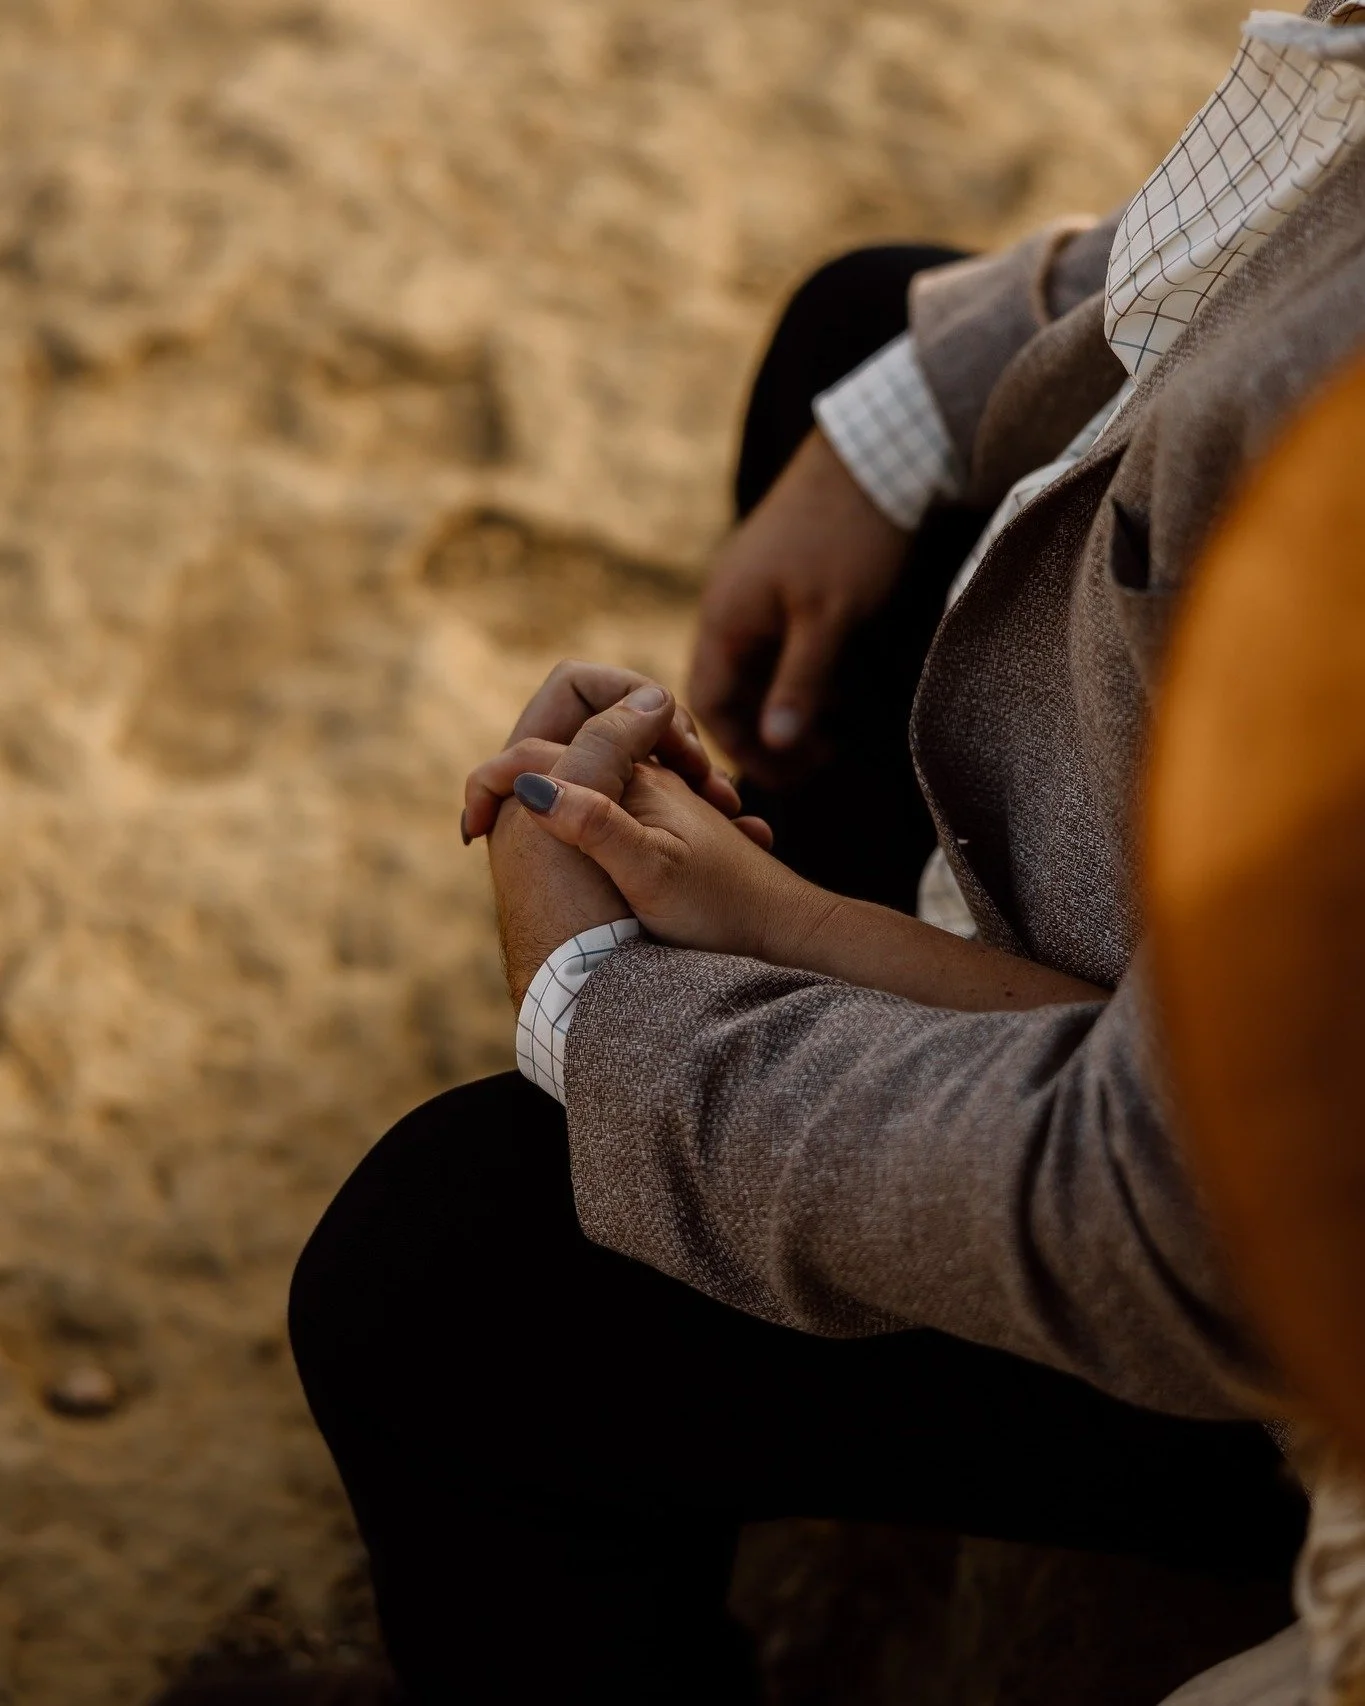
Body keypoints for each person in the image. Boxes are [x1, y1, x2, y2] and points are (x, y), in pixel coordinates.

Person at [219, 3, 1365, 1702]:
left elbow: (1209, 1209)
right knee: (856, 324)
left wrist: (620, 1030)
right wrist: (886, 418)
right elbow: (1273, 215)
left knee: (431, 1281)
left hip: (1278, 1311)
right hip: (1234, 1026)